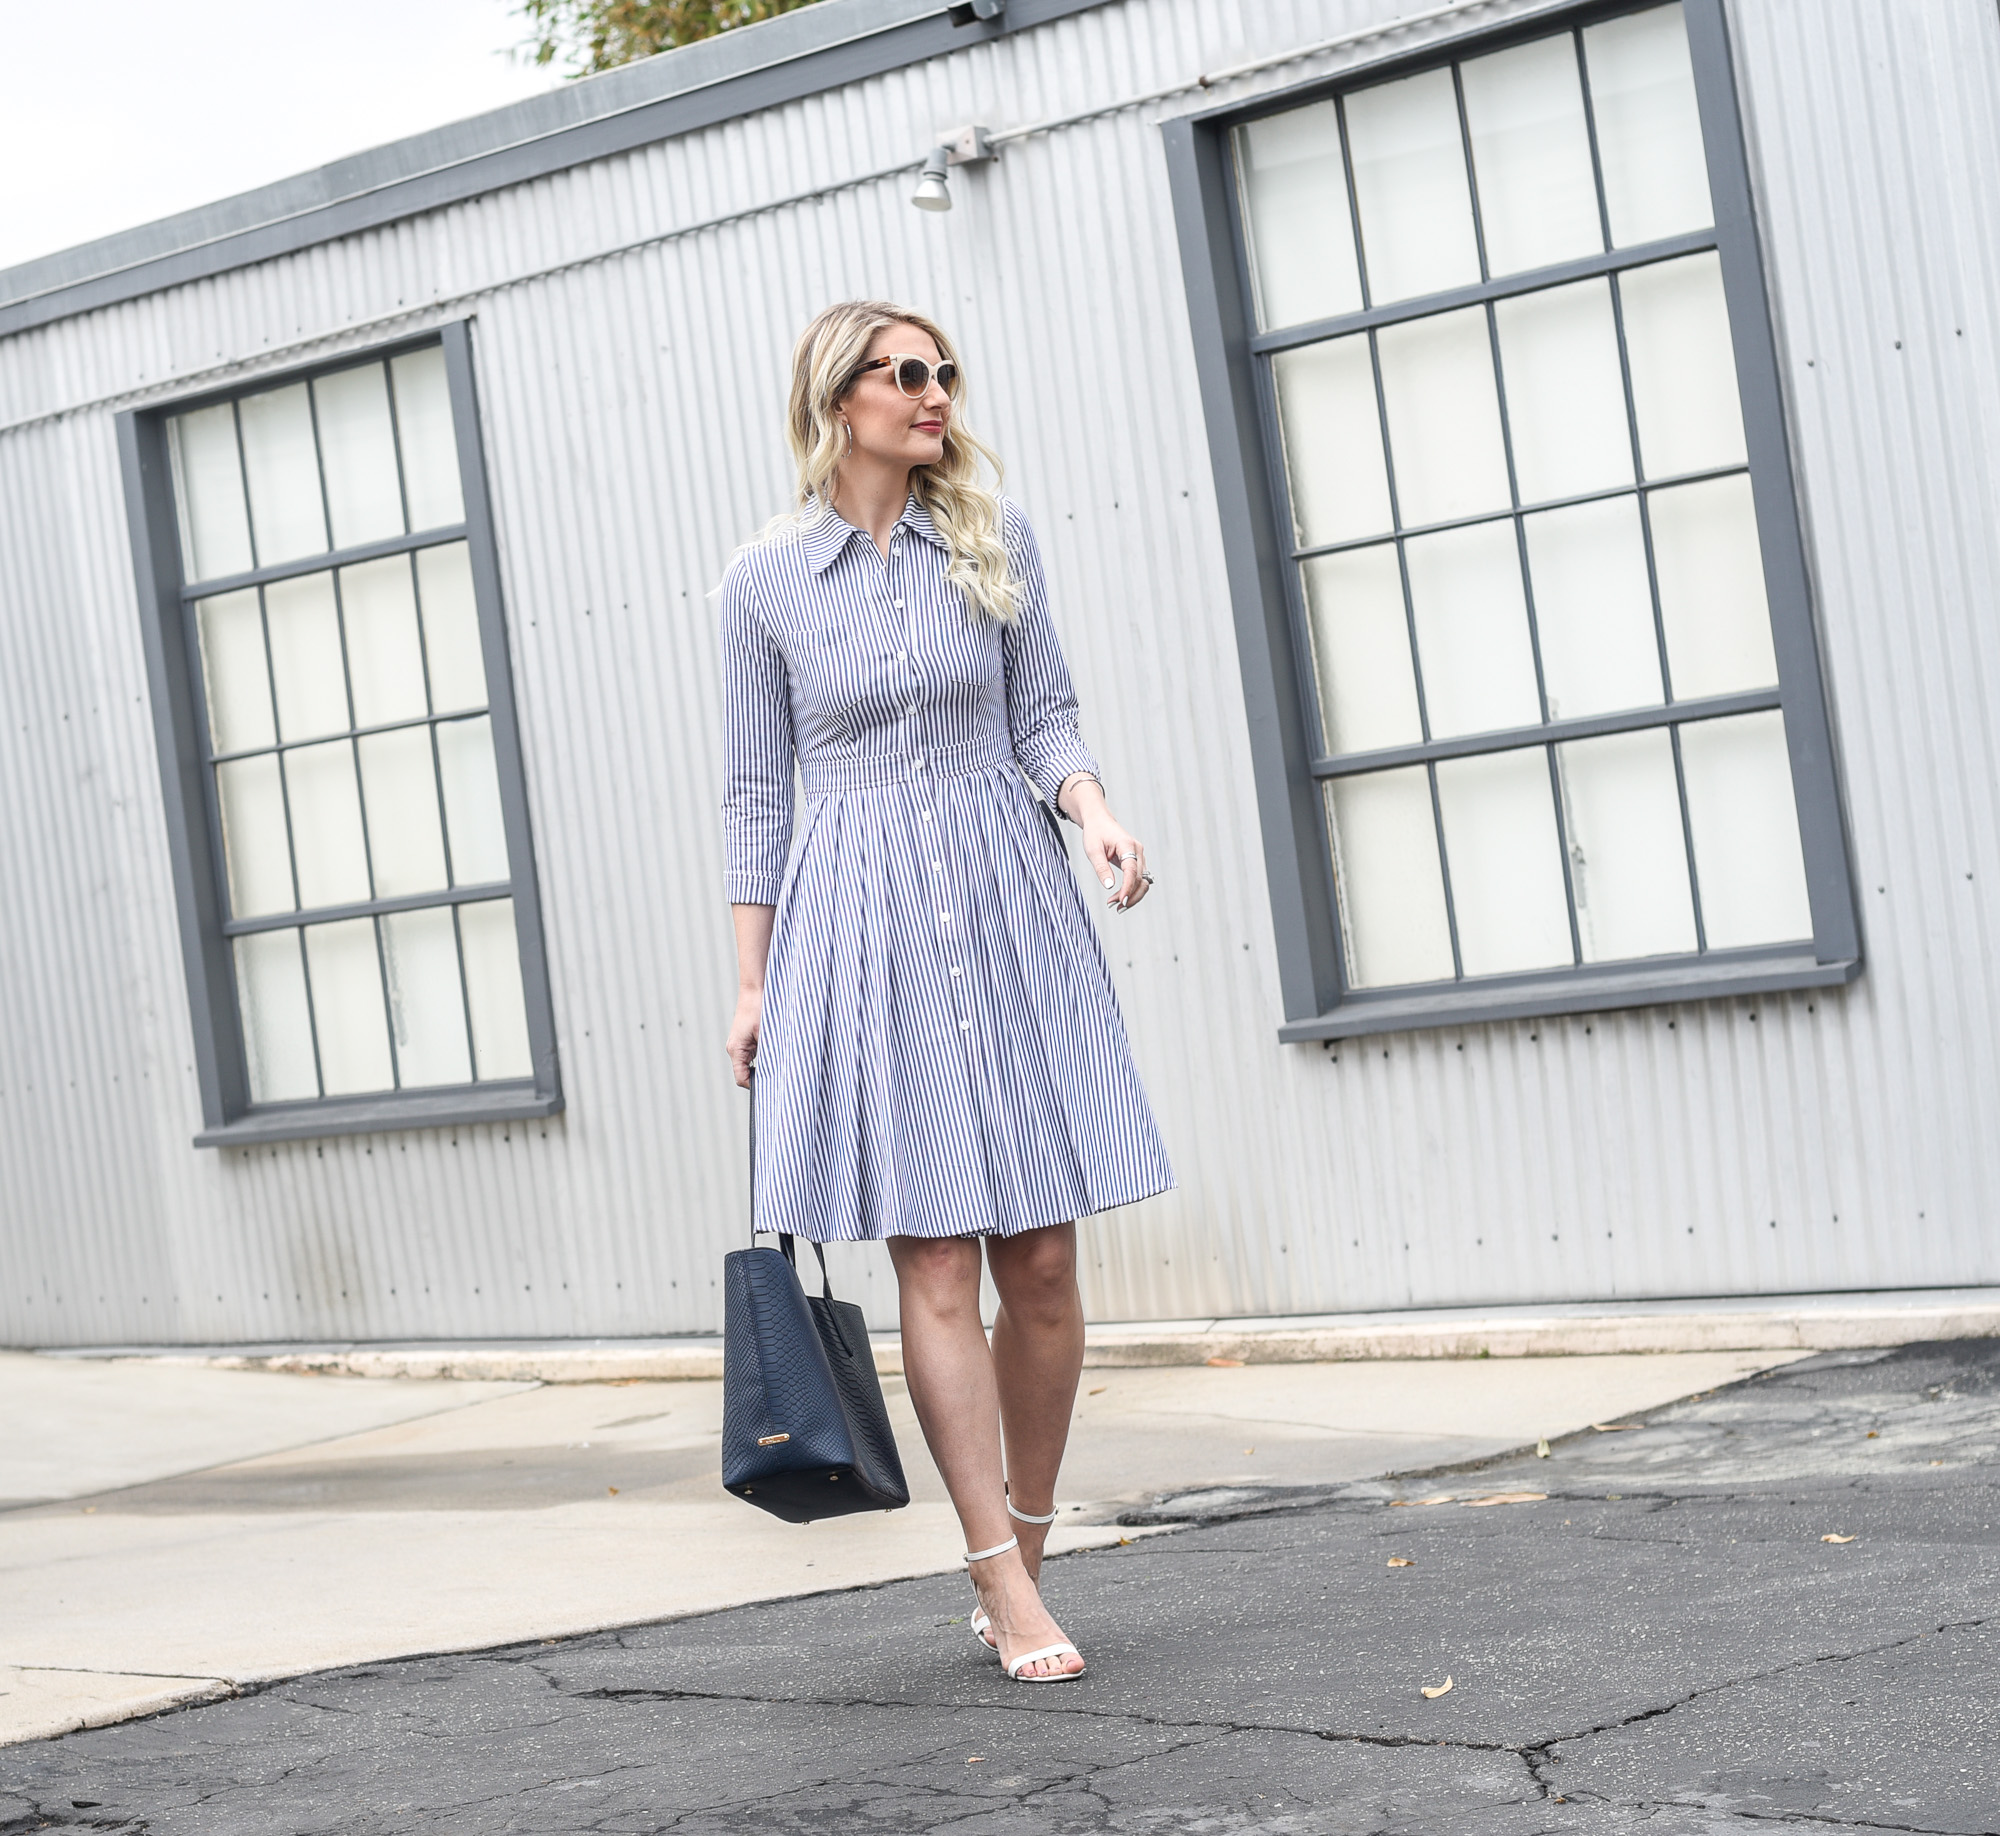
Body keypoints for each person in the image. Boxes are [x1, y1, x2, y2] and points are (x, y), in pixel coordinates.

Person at [718, 299, 1174, 1683]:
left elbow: (1044, 715)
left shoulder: (995, 538)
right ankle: (995, 1574)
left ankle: (1021, 1551)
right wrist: (751, 985)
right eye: (906, 374)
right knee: (933, 1255)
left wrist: (1089, 811)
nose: (934, 395)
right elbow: (753, 795)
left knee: (1040, 1261)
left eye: (945, 373)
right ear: (839, 397)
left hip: (1007, 899)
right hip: (858, 924)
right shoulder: (763, 584)